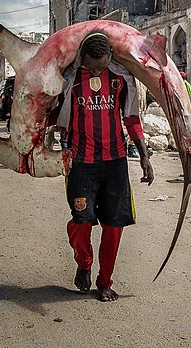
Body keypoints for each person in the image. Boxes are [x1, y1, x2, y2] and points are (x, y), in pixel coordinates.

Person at [55, 31, 154, 302]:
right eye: (91, 66)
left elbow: (131, 118)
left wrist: (144, 155)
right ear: (82, 59)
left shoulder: (122, 79)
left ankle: (105, 281)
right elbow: (52, 113)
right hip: (81, 163)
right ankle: (84, 262)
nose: (97, 71)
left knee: (113, 226)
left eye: (102, 65)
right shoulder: (71, 81)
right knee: (80, 223)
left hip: (115, 162)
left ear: (110, 57)